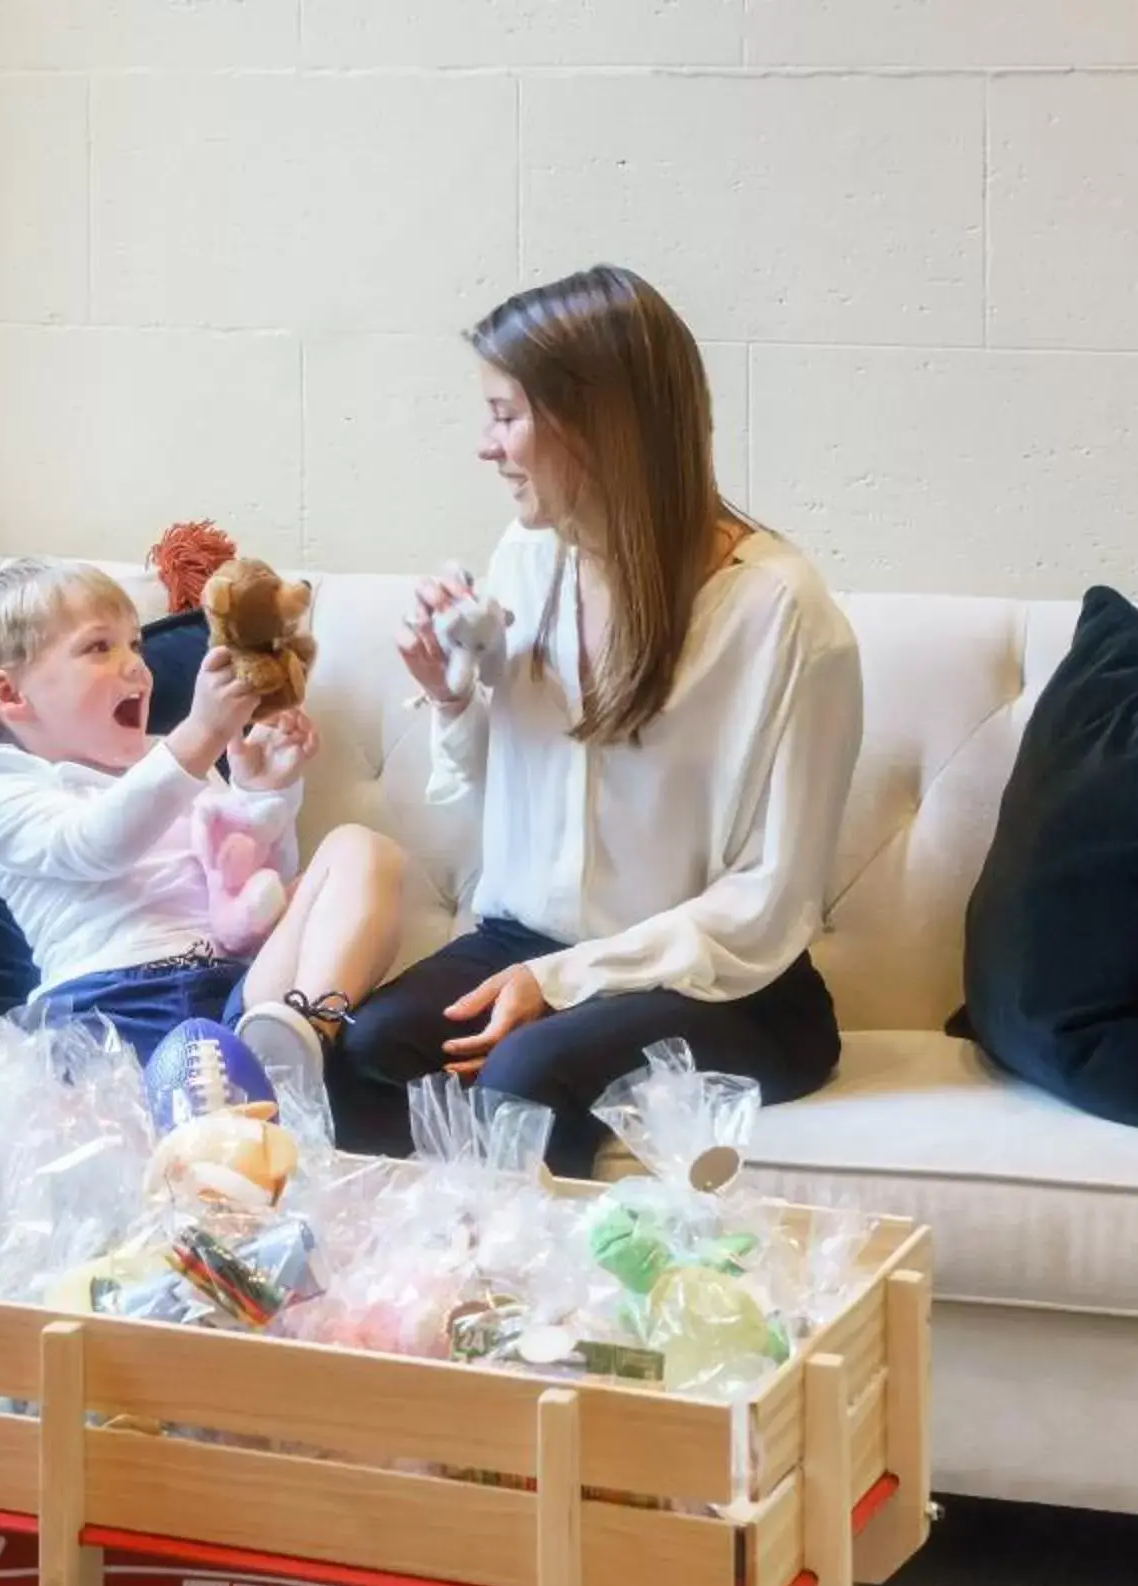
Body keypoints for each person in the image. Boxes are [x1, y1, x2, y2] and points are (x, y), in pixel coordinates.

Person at [338, 265, 863, 1175]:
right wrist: (455, 694)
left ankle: (558, 1308)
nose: (485, 447)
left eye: (506, 416)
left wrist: (562, 982)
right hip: (527, 939)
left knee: (526, 1079)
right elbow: (498, 792)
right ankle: (419, 1303)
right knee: (370, 1052)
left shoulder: (784, 616)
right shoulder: (528, 558)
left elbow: (767, 902)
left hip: (725, 985)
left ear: (598, 423)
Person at [0, 558, 407, 1103]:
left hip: (240, 995)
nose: (137, 668)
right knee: (189, 1104)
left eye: (136, 646)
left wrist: (261, 793)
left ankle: (302, 1037)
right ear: (10, 695)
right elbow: (94, 844)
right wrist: (200, 734)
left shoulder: (166, 757)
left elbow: (251, 888)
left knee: (364, 850)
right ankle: (245, 1090)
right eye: (99, 648)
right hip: (112, 1009)